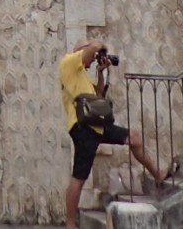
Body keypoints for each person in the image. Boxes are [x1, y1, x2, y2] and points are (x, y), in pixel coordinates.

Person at [59, 38, 172, 228]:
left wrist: (101, 72)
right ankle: (70, 223)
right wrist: (100, 48)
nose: (92, 61)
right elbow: (94, 46)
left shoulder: (82, 74)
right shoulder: (69, 63)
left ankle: (158, 174)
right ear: (81, 51)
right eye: (91, 58)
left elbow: (99, 95)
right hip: (83, 128)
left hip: (96, 124)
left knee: (133, 138)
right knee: (79, 177)